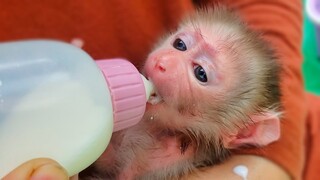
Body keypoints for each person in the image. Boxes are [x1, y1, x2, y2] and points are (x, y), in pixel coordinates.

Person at [2, 0, 318, 179]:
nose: (164, 62)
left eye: (200, 73)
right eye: (180, 44)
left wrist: (259, 170)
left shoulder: (176, 153)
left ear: (241, 131)